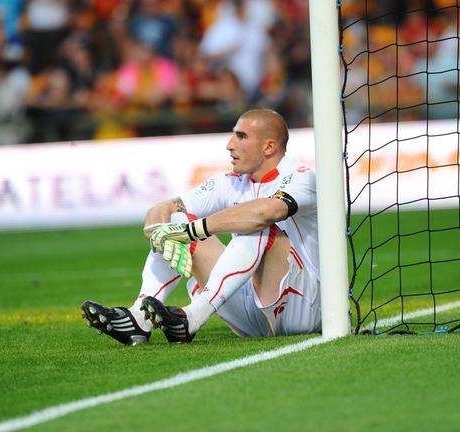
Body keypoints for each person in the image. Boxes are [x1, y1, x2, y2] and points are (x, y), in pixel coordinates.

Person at [82, 108, 321, 344]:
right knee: (176, 222)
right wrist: (160, 234)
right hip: (252, 314)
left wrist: (192, 231)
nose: (230, 144)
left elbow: (266, 212)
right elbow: (164, 208)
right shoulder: (229, 181)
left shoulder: (301, 176)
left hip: (304, 309)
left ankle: (192, 316)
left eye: (241, 136)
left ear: (269, 147)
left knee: (258, 225)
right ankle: (139, 319)